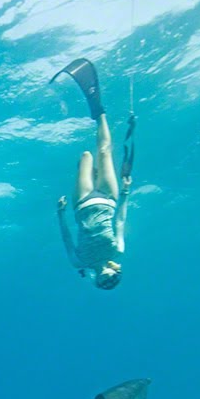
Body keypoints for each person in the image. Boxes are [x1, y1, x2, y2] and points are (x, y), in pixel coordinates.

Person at [53, 58, 132, 290]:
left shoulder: (78, 262)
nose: (108, 277)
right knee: (105, 151)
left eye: (104, 282)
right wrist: (126, 192)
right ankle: (99, 111)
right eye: (112, 279)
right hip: (108, 199)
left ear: (97, 280)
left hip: (81, 204)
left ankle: (90, 169)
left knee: (86, 156)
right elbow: (120, 220)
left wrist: (60, 214)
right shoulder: (118, 251)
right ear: (115, 274)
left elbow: (66, 238)